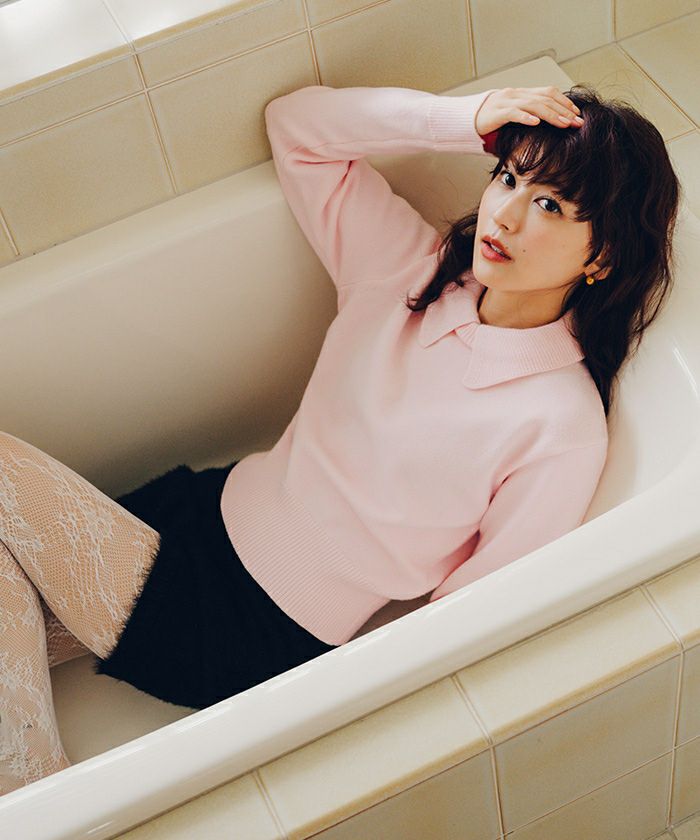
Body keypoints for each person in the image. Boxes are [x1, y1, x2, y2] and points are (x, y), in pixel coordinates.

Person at [0, 83, 680, 795]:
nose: (505, 215)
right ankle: (32, 785)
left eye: (551, 206)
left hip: (246, 628)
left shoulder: (560, 427)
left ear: (603, 255)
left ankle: (36, 800)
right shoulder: (412, 270)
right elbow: (296, 129)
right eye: (508, 178)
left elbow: (473, 616)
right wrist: (466, 119)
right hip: (195, 515)